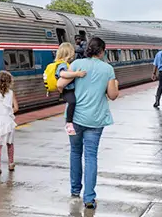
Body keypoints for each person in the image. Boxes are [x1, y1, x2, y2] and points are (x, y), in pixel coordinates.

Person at [57, 36, 119, 211]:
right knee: (91, 156)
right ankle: (89, 198)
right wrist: (116, 85)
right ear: (102, 51)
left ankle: (75, 190)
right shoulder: (108, 69)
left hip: (74, 118)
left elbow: (60, 84)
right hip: (96, 119)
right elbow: (113, 96)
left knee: (75, 152)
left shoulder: (76, 65)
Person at [54, 42, 87, 135]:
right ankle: (69, 123)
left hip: (69, 89)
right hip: (67, 90)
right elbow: (62, 74)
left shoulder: (67, 64)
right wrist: (76, 74)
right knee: (72, 102)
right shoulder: (62, 64)